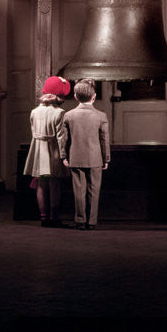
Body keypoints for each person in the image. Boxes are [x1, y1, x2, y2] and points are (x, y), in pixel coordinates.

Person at [58, 78, 111, 229]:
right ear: (94, 97)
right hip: (95, 158)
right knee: (94, 190)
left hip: (76, 157)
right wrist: (106, 158)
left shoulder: (68, 115)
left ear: (75, 96)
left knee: (78, 191)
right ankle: (92, 222)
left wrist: (64, 156)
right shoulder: (101, 116)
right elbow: (104, 139)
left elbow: (64, 139)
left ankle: (80, 220)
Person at [23, 75, 71, 227]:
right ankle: (54, 217)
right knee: (54, 184)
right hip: (53, 150)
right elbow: (61, 137)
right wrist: (64, 156)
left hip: (38, 149)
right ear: (59, 95)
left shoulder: (34, 112)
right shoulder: (60, 113)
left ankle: (43, 218)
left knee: (41, 184)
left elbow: (33, 132)